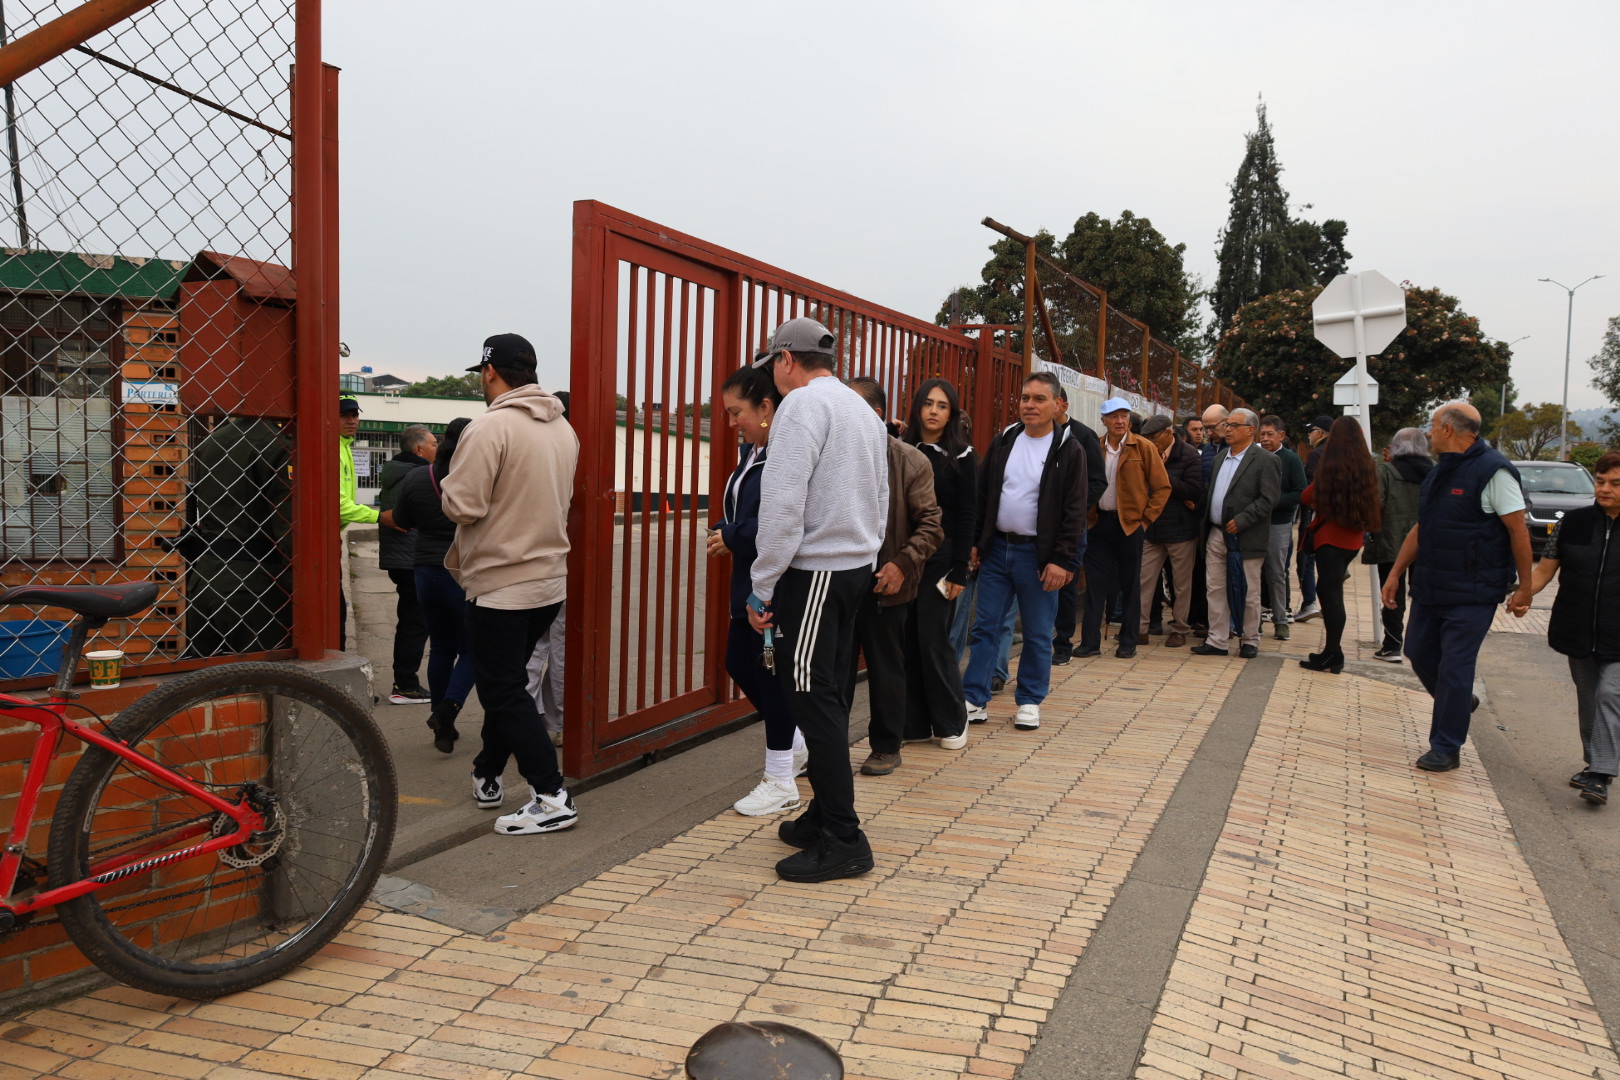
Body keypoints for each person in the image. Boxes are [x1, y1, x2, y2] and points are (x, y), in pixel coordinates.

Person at [748, 317, 888, 883]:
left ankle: (844, 837)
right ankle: (824, 813)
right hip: (852, 566)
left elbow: (782, 504)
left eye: (772, 366)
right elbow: (879, 494)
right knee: (826, 691)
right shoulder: (860, 408)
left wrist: (762, 582)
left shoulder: (802, 407)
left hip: (816, 572)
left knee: (811, 698)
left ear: (786, 360)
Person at [441, 333, 580, 834]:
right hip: (548, 580)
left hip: (501, 583)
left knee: (503, 690)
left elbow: (463, 506)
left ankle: (551, 794)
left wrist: (446, 480)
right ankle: (488, 774)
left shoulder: (490, 427)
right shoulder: (563, 429)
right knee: (512, 683)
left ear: (489, 372)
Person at [1383, 401, 1532, 772]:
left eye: (1433, 426)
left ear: (1449, 429)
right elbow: (1423, 527)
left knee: (1454, 667)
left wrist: (1525, 587)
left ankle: (1445, 746)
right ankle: (1459, 703)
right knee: (1417, 650)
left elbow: (1518, 530)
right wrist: (1396, 571)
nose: (1429, 433)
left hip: (1474, 591)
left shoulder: (1494, 471)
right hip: (1432, 585)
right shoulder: (1438, 472)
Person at [962, 372, 1087, 731]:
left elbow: (1074, 512)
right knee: (986, 627)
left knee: (1036, 631)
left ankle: (1030, 699)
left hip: (1039, 556)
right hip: (998, 550)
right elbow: (984, 496)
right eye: (1025, 398)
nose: (1029, 405)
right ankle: (975, 697)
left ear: (1058, 405)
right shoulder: (1005, 441)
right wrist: (976, 540)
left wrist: (1063, 560)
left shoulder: (1069, 449)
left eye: (1039, 399)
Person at [709, 367, 807, 816]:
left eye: (737, 412)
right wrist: (727, 531)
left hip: (770, 586)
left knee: (771, 676)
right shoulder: (753, 454)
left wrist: (733, 535)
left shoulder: (783, 456)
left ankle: (781, 778)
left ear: (766, 408)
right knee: (738, 663)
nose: (733, 423)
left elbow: (782, 524)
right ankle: (796, 744)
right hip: (746, 581)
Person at [844, 377, 942, 777]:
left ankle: (886, 745)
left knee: (886, 668)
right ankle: (825, 746)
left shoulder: (910, 461)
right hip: (838, 581)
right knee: (832, 672)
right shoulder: (832, 455)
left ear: (876, 414)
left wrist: (902, 564)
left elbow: (932, 525)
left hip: (887, 583)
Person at [1521, 451, 1620, 805]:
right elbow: (1545, 570)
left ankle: (1601, 775)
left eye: (1615, 483)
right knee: (1588, 698)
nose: (1604, 489)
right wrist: (1523, 594)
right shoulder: (1572, 523)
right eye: (1600, 481)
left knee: (1611, 693)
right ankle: (1595, 765)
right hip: (1577, 627)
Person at [901, 379, 979, 750]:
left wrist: (960, 571)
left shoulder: (962, 457)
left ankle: (952, 721)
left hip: (941, 564)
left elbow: (967, 517)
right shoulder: (901, 449)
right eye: (928, 403)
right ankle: (914, 723)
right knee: (906, 642)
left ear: (952, 413)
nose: (934, 411)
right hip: (903, 560)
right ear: (917, 406)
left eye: (943, 405)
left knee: (934, 642)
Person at [392, 418, 476, 753]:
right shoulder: (475, 478)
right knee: (473, 649)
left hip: (425, 572)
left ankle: (442, 727)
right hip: (460, 571)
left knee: (441, 647)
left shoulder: (415, 477)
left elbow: (401, 521)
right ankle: (448, 708)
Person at [180, 417, 292, 658]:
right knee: (264, 680)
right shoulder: (277, 444)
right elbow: (289, 528)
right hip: (255, 583)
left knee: (205, 682)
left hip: (206, 577)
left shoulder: (213, 440)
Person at [1077, 397, 1170, 660]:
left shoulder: (1143, 447)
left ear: (1129, 419)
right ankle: (1090, 642)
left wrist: (1146, 519)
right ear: (1104, 420)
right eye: (1113, 416)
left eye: (1124, 416)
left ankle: (1128, 640)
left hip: (1130, 525)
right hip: (1098, 523)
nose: (1119, 421)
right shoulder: (1094, 446)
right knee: (1095, 584)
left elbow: (1162, 487)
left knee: (1130, 584)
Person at [1191, 408, 1279, 659]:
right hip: (1216, 534)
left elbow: (1268, 499)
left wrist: (1243, 520)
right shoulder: (1220, 458)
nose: (1227, 429)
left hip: (1246, 537)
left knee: (1249, 590)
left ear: (1250, 430)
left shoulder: (1266, 461)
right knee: (1215, 588)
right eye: (1226, 424)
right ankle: (1217, 640)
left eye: (1233, 425)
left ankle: (1250, 640)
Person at [1297, 417, 1381, 674]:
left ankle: (1333, 652)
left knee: (1330, 595)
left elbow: (1307, 495)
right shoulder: (1366, 466)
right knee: (1333, 593)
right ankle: (1331, 652)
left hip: (1329, 538)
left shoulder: (1331, 466)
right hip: (1352, 540)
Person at [1362, 427, 1432, 662]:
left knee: (1392, 593)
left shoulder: (1386, 471)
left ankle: (1392, 644)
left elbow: (1375, 503)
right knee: (1422, 593)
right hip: (1427, 541)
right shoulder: (1434, 471)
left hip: (1391, 540)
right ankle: (1422, 644)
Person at [378, 425, 436, 704]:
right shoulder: (417, 475)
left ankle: (405, 680)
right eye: (434, 444)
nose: (438, 448)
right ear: (419, 450)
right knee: (415, 622)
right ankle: (406, 684)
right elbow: (409, 518)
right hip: (411, 557)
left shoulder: (394, 471)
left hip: (399, 557)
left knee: (411, 619)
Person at [1048, 387, 1106, 666]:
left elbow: (1098, 482)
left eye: (1044, 400)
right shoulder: (1027, 434)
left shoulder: (1083, 436)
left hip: (1071, 525)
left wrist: (1074, 511)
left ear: (1061, 404)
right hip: (1036, 526)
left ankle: (1063, 643)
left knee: (1066, 583)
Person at [527, 391, 572, 746]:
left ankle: (522, 715)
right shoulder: (569, 450)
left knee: (532, 646)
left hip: (527, 563)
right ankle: (556, 722)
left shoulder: (534, 447)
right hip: (558, 565)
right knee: (558, 646)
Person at [1138, 415, 1203, 649]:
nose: (1152, 442)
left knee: (1181, 584)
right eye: (1147, 438)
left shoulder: (1189, 455)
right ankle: (1140, 628)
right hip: (1151, 529)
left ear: (1168, 433)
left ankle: (1180, 628)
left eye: (1154, 437)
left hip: (1181, 530)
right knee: (1144, 580)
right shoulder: (1146, 452)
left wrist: (1163, 478)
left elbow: (1194, 491)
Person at [339, 396, 397, 650]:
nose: (352, 421)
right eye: (345, 415)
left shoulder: (344, 446)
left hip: (332, 533)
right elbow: (338, 503)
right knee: (335, 610)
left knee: (337, 609)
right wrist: (378, 516)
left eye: (354, 415)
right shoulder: (333, 447)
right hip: (322, 537)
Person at [1256, 416, 1306, 641]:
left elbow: (1300, 492)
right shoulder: (1255, 457)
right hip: (1254, 522)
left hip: (1279, 523)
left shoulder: (1291, 460)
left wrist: (1272, 501)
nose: (1265, 439)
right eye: (1262, 434)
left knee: (1276, 572)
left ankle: (1280, 619)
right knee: (1252, 572)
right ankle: (1253, 619)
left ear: (1281, 436)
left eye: (1270, 434)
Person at [1293, 415, 1334, 623]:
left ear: (1319, 433)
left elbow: (1312, 486)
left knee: (1305, 559)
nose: (1308, 436)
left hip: (1314, 515)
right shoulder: (1342, 452)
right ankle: (1327, 605)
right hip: (1334, 519)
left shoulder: (1318, 454)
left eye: (1310, 431)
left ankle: (1309, 602)